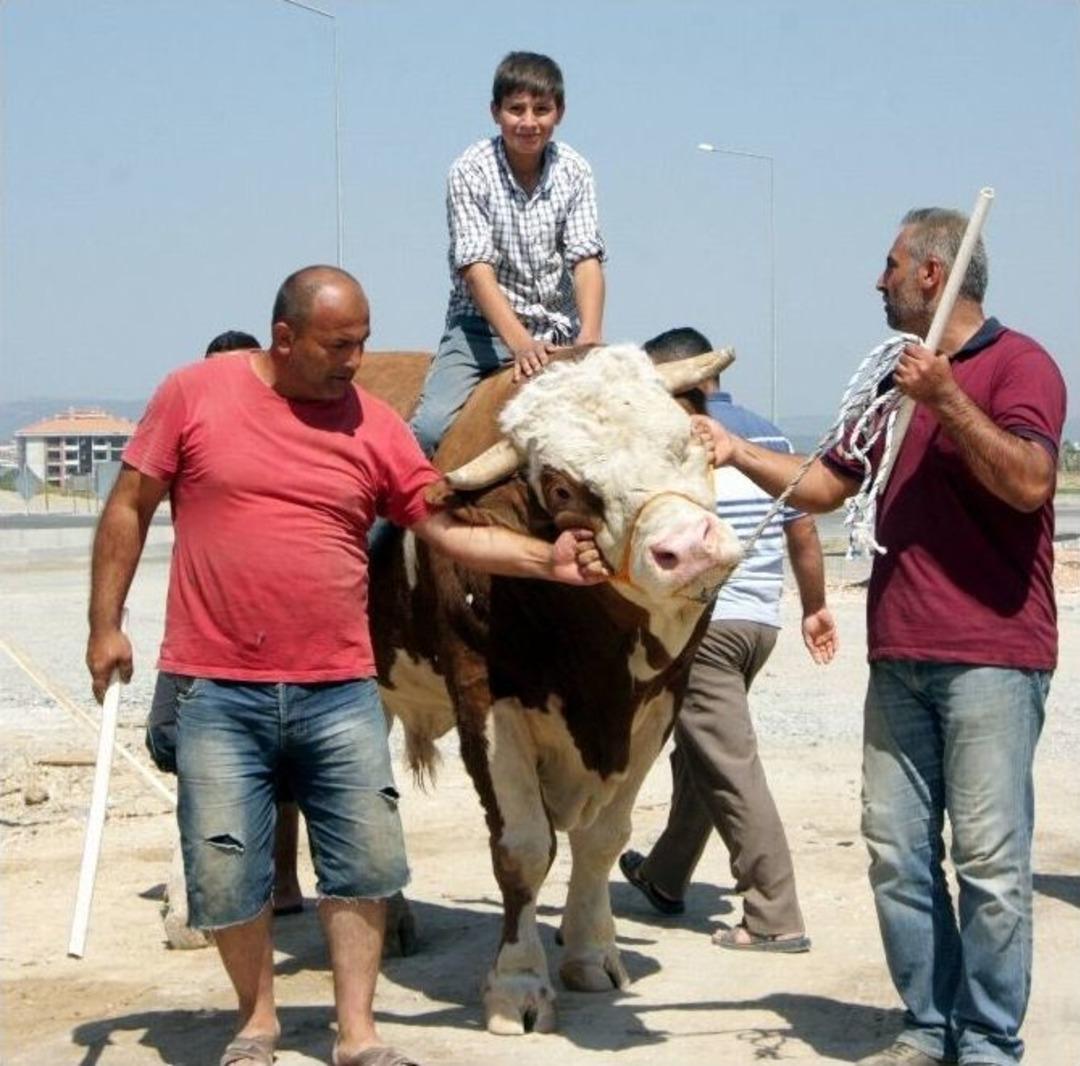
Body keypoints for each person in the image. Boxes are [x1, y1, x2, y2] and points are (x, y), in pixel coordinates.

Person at [86, 265, 608, 1066]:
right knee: (226, 869)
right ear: (285, 338)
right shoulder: (195, 394)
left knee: (361, 866)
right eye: (339, 345)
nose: (356, 361)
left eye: (363, 342)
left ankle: (356, 1034)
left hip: (339, 686)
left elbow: (445, 526)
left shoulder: (372, 425)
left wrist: (548, 561)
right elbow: (130, 502)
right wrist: (106, 624)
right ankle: (256, 1024)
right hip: (217, 684)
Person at [694, 210, 1065, 1065]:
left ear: (933, 275)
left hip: (993, 657)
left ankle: (989, 1041)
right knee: (897, 853)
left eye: (890, 264)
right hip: (898, 651)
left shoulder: (1021, 365)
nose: (877, 280)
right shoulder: (889, 381)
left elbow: (1031, 482)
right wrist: (734, 449)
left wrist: (947, 399)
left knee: (990, 865)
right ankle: (928, 1026)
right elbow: (826, 483)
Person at [619, 326, 836, 953]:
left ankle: (775, 914)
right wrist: (814, 608)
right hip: (759, 624)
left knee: (729, 764)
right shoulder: (767, 433)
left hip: (707, 625)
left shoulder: (680, 438)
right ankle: (664, 876)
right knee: (701, 752)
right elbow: (802, 532)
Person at [142, 329, 307, 921]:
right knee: (175, 738)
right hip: (201, 629)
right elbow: (136, 501)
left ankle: (280, 881)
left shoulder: (282, 435)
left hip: (277, 630)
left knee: (283, 759)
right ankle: (212, 875)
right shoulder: (191, 432)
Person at [409, 50, 606, 456]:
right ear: (495, 112)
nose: (529, 122)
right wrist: (520, 344)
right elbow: (476, 269)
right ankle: (384, 521)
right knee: (428, 430)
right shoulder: (470, 170)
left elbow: (586, 260)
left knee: (613, 434)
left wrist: (588, 338)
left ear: (560, 113)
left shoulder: (576, 170)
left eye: (541, 109)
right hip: (481, 331)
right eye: (516, 109)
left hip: (559, 331)